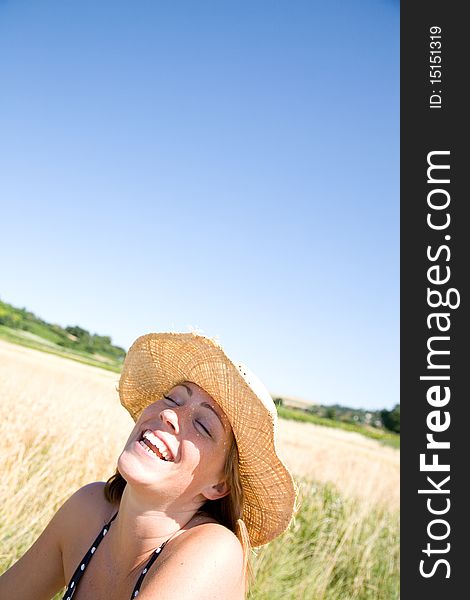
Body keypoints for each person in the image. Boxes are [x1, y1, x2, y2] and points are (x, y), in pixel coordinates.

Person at [0, 332, 296, 600]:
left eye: (203, 426)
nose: (170, 414)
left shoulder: (214, 552)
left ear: (219, 485)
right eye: (172, 398)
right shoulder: (87, 508)